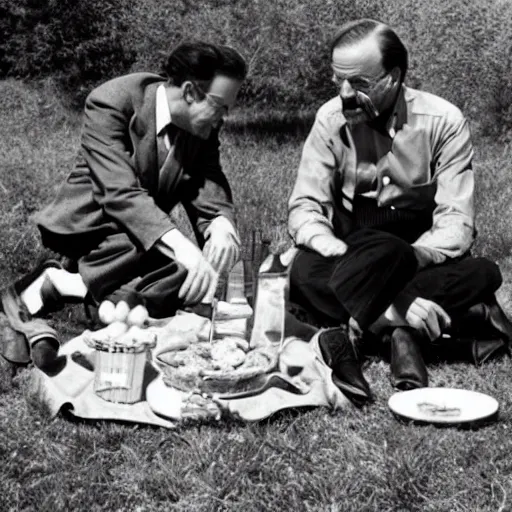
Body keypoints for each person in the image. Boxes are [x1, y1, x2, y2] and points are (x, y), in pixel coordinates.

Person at [287, 19, 512, 402]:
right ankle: (409, 324)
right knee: (301, 270)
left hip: (418, 254)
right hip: (352, 252)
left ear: (393, 77)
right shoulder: (329, 120)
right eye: (338, 81)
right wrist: (357, 267)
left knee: (482, 272)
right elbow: (305, 208)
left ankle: (373, 325)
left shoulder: (444, 122)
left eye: (358, 83)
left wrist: (404, 266)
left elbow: (455, 223)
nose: (344, 94)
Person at [5, 41, 247, 336]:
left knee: (186, 278)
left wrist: (220, 223)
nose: (224, 118)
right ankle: (71, 284)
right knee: (179, 274)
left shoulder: (203, 128)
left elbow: (209, 181)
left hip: (139, 234)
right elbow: (119, 193)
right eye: (220, 107)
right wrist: (185, 249)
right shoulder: (112, 101)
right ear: (189, 92)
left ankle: (74, 286)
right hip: (91, 227)